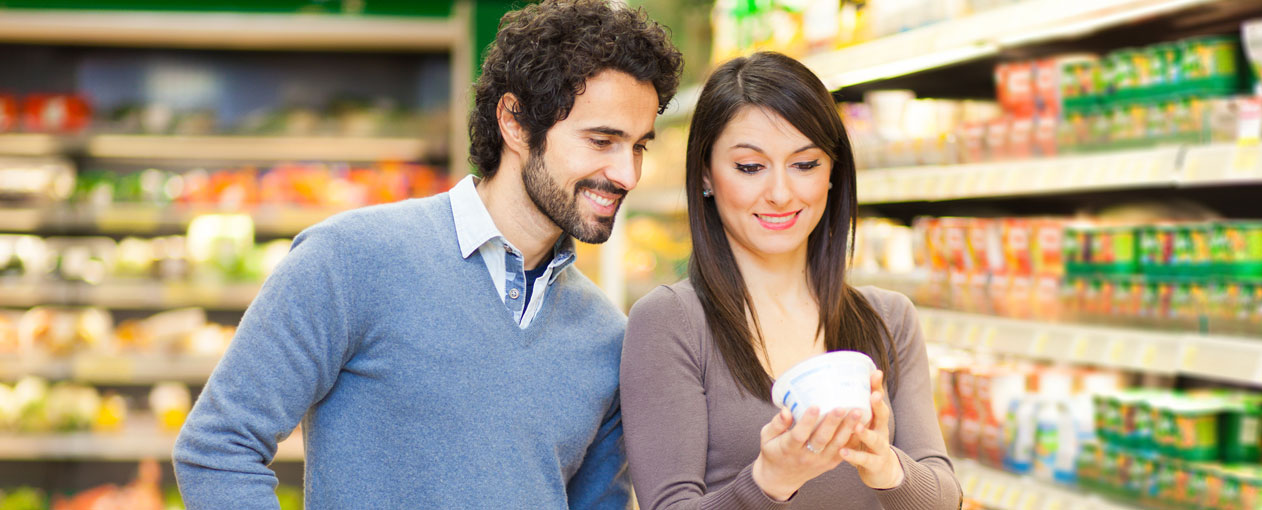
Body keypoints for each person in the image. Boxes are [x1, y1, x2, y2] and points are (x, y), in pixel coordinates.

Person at [173, 1, 683, 508]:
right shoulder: (351, 260)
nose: (628, 175)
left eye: (639, 146)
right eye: (602, 140)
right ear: (515, 123)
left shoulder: (606, 335)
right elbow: (218, 448)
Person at [620, 51, 961, 510]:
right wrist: (768, 480)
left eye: (805, 164)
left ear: (834, 172)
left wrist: (886, 467)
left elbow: (945, 498)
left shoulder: (888, 318)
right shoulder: (670, 322)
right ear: (705, 173)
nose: (781, 193)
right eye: (750, 167)